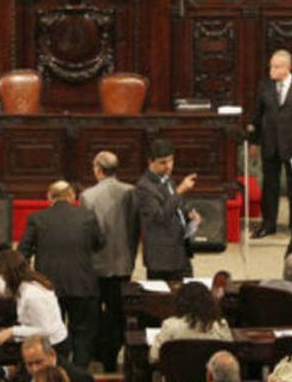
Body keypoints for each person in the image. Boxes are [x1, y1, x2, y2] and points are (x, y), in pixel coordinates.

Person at [19, 180, 104, 368]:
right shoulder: (87, 216)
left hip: (47, 286)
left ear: (49, 197)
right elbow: (99, 243)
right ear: (72, 196)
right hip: (82, 283)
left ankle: (55, 369)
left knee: (50, 331)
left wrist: (27, 280)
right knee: (82, 331)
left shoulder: (37, 218)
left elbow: (23, 252)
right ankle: (79, 370)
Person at [78, 150, 138, 371]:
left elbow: (87, 235)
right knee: (117, 313)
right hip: (123, 262)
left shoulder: (87, 196)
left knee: (94, 312)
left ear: (98, 169)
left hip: (96, 264)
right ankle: (111, 357)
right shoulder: (131, 192)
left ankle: (97, 355)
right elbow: (134, 228)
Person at [250, 49, 292, 237]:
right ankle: (268, 224)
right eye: (271, 66)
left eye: (276, 67)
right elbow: (258, 115)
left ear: (287, 68)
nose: (271, 70)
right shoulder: (265, 86)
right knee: (269, 186)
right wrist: (254, 142)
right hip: (270, 144)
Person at [136, 138, 200, 280]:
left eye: (171, 160)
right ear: (150, 162)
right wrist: (180, 190)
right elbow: (159, 217)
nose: (168, 166)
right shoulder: (144, 187)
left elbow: (176, 206)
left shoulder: (167, 179)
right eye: (163, 162)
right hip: (162, 258)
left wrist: (188, 214)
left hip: (180, 251)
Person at [0, 250, 69, 353]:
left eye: (3, 276)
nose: (2, 280)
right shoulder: (28, 283)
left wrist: (12, 331)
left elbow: (45, 330)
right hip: (43, 342)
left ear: (11, 275)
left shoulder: (33, 294)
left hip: (52, 345)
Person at [148, 281, 232, 363]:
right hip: (211, 371)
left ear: (180, 302)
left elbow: (154, 356)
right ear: (209, 301)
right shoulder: (221, 325)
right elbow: (230, 355)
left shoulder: (170, 325)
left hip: (178, 372)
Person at [15, 335, 93, 382]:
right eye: (29, 364)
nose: (34, 369)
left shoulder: (78, 377)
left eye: (38, 362)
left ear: (52, 354)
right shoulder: (23, 373)